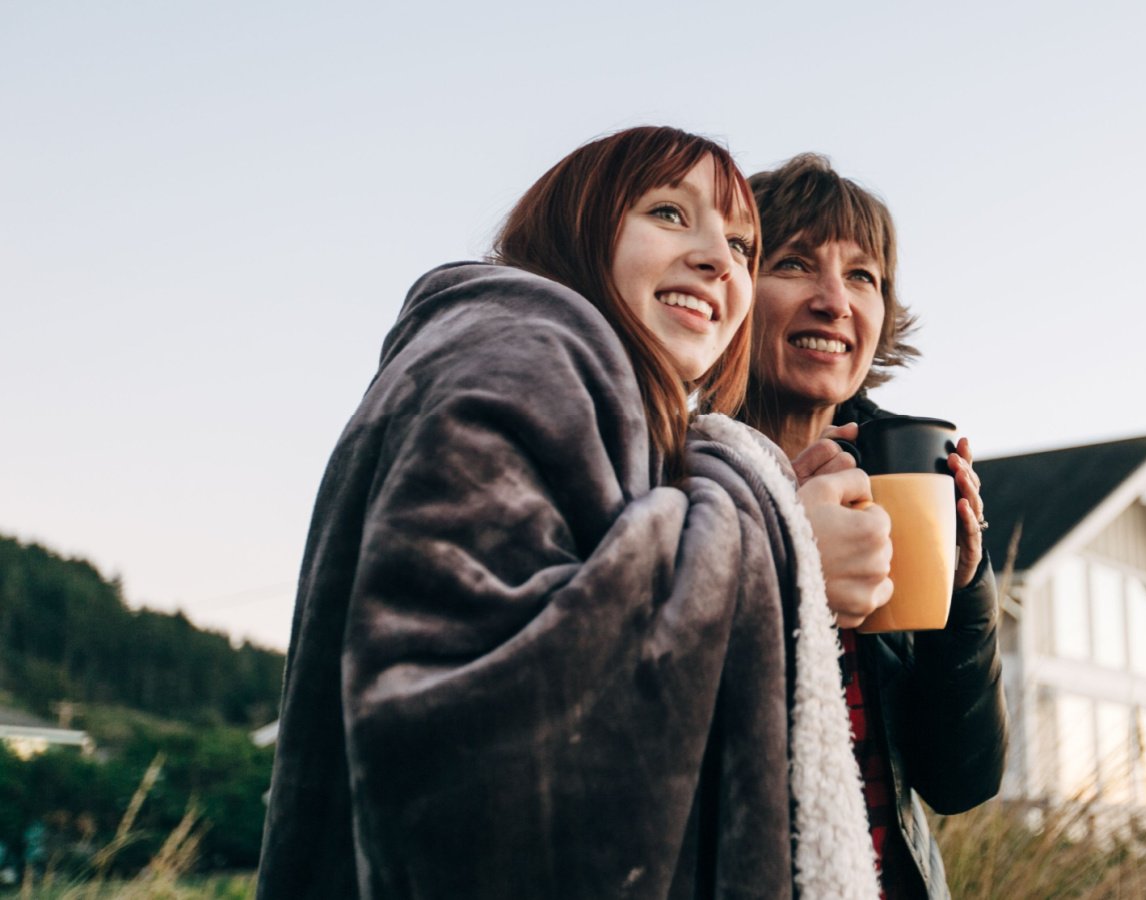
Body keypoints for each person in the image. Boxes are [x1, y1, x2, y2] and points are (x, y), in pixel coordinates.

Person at [257, 128, 888, 899]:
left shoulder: (573, 382)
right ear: (578, 222)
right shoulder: (515, 352)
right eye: (668, 212)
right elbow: (466, 735)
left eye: (741, 245)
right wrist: (782, 542)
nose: (717, 259)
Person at [740, 154, 1009, 900]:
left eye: (864, 277)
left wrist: (964, 594)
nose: (835, 300)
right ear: (730, 286)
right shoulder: (673, 476)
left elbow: (960, 781)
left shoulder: (906, 479)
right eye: (794, 263)